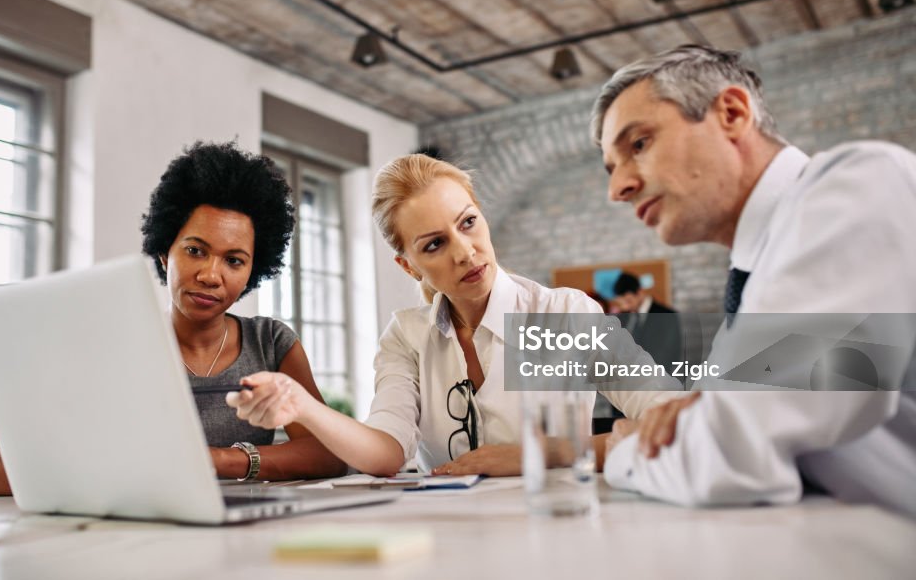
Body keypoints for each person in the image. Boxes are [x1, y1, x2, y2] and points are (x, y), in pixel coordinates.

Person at [593, 44, 916, 517]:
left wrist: (626, 446)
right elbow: (719, 435)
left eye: (638, 145)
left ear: (731, 113)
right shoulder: (753, 287)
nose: (617, 188)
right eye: (611, 168)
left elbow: (731, 457)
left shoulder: (861, 186)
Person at [227, 154, 678, 477]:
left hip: (556, 528)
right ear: (409, 265)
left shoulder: (564, 314)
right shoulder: (407, 335)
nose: (465, 253)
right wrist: (303, 406)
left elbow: (674, 419)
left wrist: (547, 452)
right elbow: (385, 452)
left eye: (468, 223)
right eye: (434, 245)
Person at [0, 142, 346, 495]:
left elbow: (327, 453)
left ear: (251, 273)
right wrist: (119, 470)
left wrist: (218, 461)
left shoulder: (270, 343)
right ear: (164, 253)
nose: (211, 274)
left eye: (234, 260)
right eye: (195, 251)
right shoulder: (110, 347)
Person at [611, 272, 682, 377]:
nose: (626, 306)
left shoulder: (666, 315)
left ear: (640, 292)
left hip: (658, 379)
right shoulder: (624, 317)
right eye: (622, 303)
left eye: (629, 301)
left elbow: (669, 353)